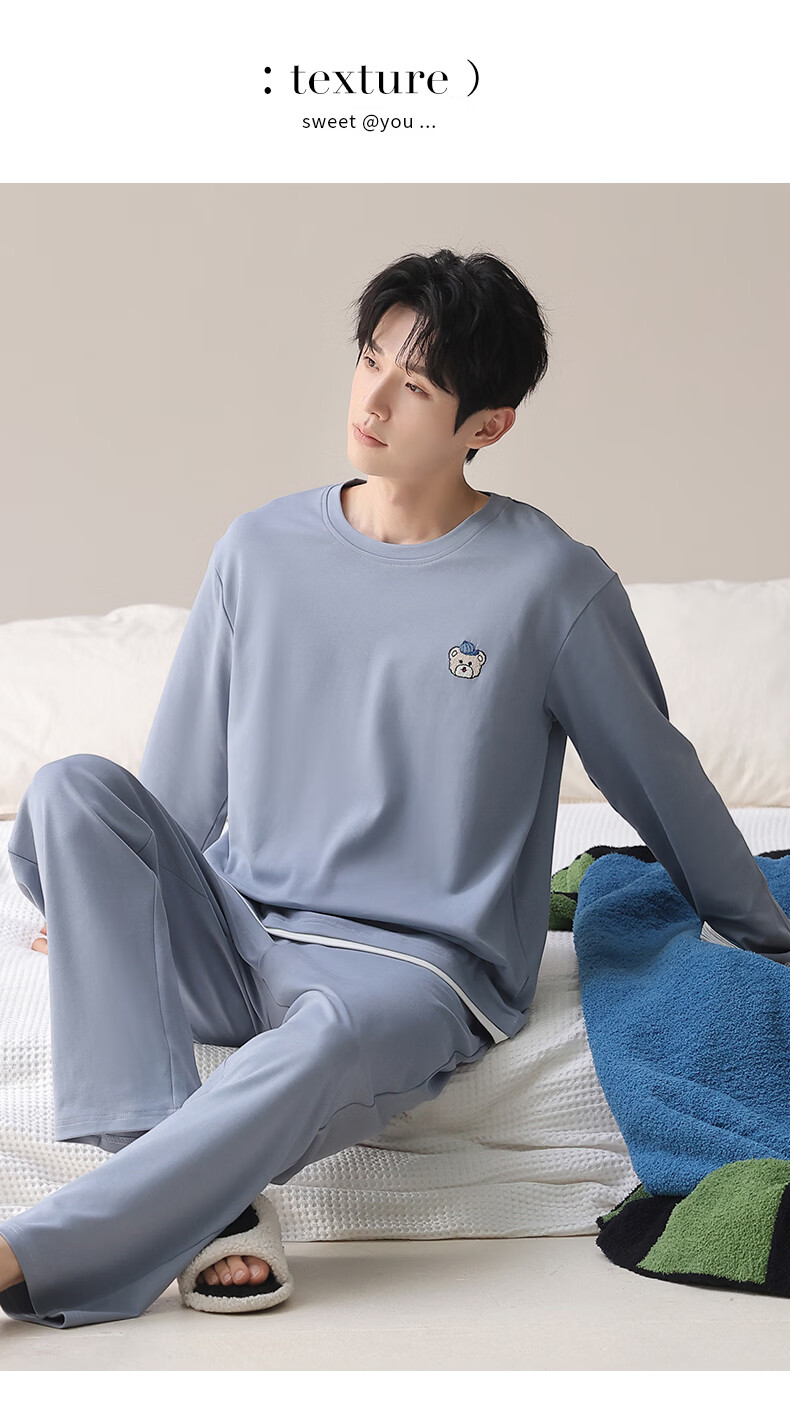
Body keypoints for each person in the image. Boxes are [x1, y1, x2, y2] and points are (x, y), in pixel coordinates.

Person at [2, 248, 789, 1329]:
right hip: (237, 928)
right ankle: (208, 1201)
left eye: (414, 385)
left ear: (487, 424)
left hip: (412, 969)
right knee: (70, 788)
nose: (371, 401)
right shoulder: (259, 549)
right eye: (369, 359)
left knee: (321, 1039)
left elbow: (661, 780)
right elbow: (175, 797)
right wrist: (105, 905)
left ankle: (29, 1255)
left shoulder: (549, 585)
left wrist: (762, 928)